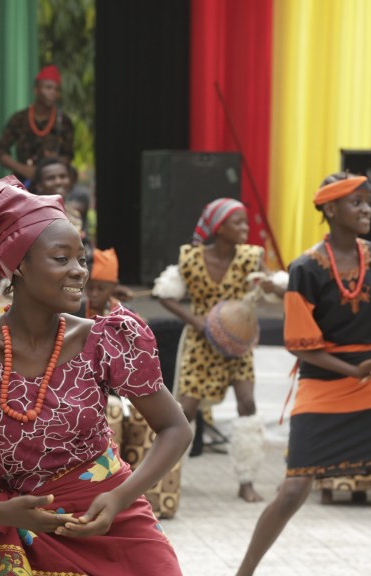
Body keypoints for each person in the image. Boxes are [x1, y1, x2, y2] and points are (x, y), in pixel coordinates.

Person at [0, 175, 190, 575]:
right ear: (18, 265)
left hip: (110, 522)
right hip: (16, 530)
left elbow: (176, 428)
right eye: (61, 258)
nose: (78, 271)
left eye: (81, 259)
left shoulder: (104, 340)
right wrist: (3, 512)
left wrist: (121, 496)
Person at [236, 174, 371, 576]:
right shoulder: (306, 268)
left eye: (367, 202)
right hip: (321, 386)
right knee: (293, 491)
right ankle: (243, 573)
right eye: (356, 203)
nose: (366, 210)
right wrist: (350, 369)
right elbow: (298, 342)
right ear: (330, 210)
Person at [156, 198, 272, 503]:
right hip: (201, 343)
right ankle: (165, 478)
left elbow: (271, 288)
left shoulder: (251, 258)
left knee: (247, 403)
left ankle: (246, 480)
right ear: (219, 228)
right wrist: (198, 322)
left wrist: (271, 287)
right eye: (238, 223)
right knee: (184, 412)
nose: (246, 228)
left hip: (238, 345)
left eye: (246, 222)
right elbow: (164, 293)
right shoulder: (191, 258)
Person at [0, 65, 74, 185]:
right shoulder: (19, 119)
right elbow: (0, 153)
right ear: (36, 89)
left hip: (52, 184)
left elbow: (68, 156)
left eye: (57, 89)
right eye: (48, 87)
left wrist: (54, 160)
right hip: (23, 183)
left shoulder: (64, 122)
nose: (53, 92)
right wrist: (23, 169)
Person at [85, 247, 121, 318]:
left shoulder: (124, 314)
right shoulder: (75, 312)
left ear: (114, 286)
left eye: (101, 289)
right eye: (90, 288)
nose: (94, 294)